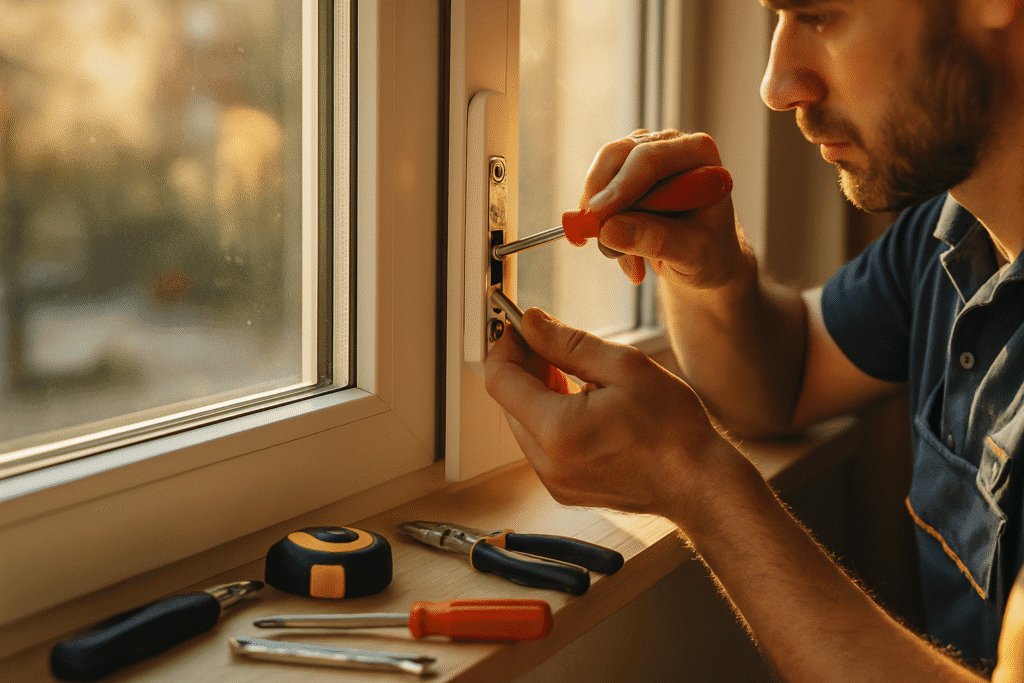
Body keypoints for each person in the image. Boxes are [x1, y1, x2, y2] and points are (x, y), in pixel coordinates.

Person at [484, 0, 1024, 680]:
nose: (777, 84)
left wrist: (696, 482)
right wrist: (707, 272)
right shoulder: (953, 232)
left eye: (820, 15)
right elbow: (788, 376)